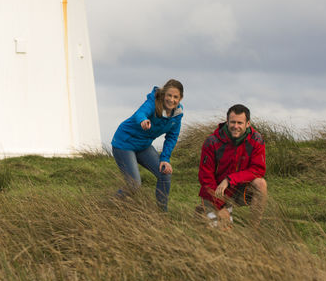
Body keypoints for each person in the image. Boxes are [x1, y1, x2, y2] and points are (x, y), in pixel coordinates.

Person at [111, 79, 184, 211]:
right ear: (163, 94)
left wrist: (165, 159)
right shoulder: (153, 102)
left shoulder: (177, 114)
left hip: (143, 146)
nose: (171, 100)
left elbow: (172, 137)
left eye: (175, 97)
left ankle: (162, 214)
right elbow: (141, 113)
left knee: (165, 173)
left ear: (180, 98)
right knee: (134, 185)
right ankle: (110, 205)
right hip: (124, 143)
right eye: (169, 95)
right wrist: (143, 120)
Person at [198, 104, 267, 228]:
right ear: (227, 121)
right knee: (221, 231)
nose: (236, 126)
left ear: (248, 124)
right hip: (216, 191)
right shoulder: (212, 142)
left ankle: (254, 229)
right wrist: (220, 206)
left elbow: (258, 170)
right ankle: (204, 211)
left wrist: (230, 180)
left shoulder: (256, 140)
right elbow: (205, 177)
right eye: (232, 122)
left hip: (239, 189)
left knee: (261, 184)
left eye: (240, 123)